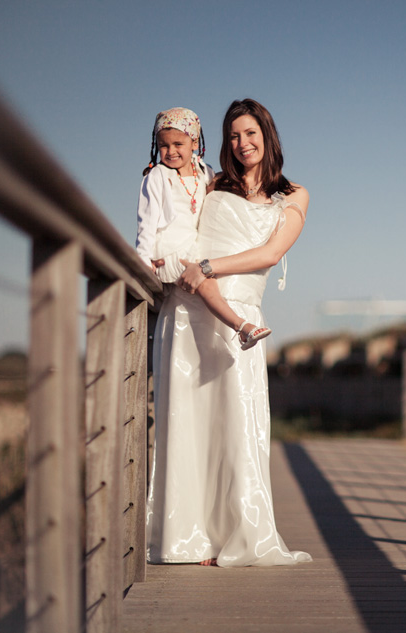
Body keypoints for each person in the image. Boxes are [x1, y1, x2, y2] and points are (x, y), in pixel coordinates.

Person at [145, 98, 311, 567]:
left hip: (239, 314)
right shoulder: (211, 182)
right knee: (188, 421)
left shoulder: (294, 194)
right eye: (234, 136)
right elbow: (173, 219)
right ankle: (189, 537)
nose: (242, 144)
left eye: (250, 134)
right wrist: (161, 256)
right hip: (189, 307)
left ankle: (237, 534)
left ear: (268, 135)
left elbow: (270, 253)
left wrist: (207, 267)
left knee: (236, 424)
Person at [135, 107, 271, 350]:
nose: (171, 151)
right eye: (164, 146)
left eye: (178, 144)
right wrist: (144, 261)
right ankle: (242, 327)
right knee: (207, 283)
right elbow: (146, 222)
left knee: (208, 282)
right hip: (169, 251)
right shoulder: (157, 176)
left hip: (192, 248)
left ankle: (234, 331)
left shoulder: (204, 173)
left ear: (194, 142)